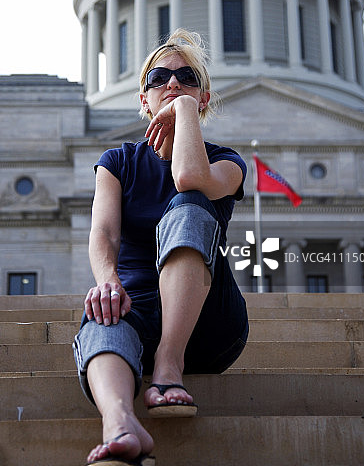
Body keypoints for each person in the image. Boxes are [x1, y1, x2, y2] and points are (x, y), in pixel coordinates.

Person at [73, 29, 249, 466]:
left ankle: (170, 364)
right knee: (102, 315)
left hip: (207, 323)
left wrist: (183, 110)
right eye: (159, 77)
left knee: (188, 203)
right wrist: (108, 284)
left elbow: (189, 179)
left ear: (204, 98)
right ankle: (120, 425)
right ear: (143, 96)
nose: (172, 83)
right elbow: (104, 235)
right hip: (137, 306)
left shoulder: (227, 162)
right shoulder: (117, 162)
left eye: (187, 78)